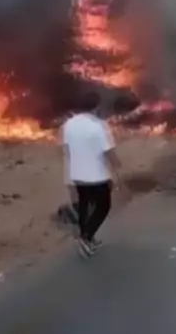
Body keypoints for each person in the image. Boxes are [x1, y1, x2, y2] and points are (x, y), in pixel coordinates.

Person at [62, 90, 121, 258]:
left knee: (84, 206)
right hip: (97, 177)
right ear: (97, 106)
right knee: (103, 207)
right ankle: (86, 237)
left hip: (78, 175)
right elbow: (109, 153)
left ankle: (89, 237)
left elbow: (67, 150)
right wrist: (117, 166)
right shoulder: (99, 126)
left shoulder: (69, 124)